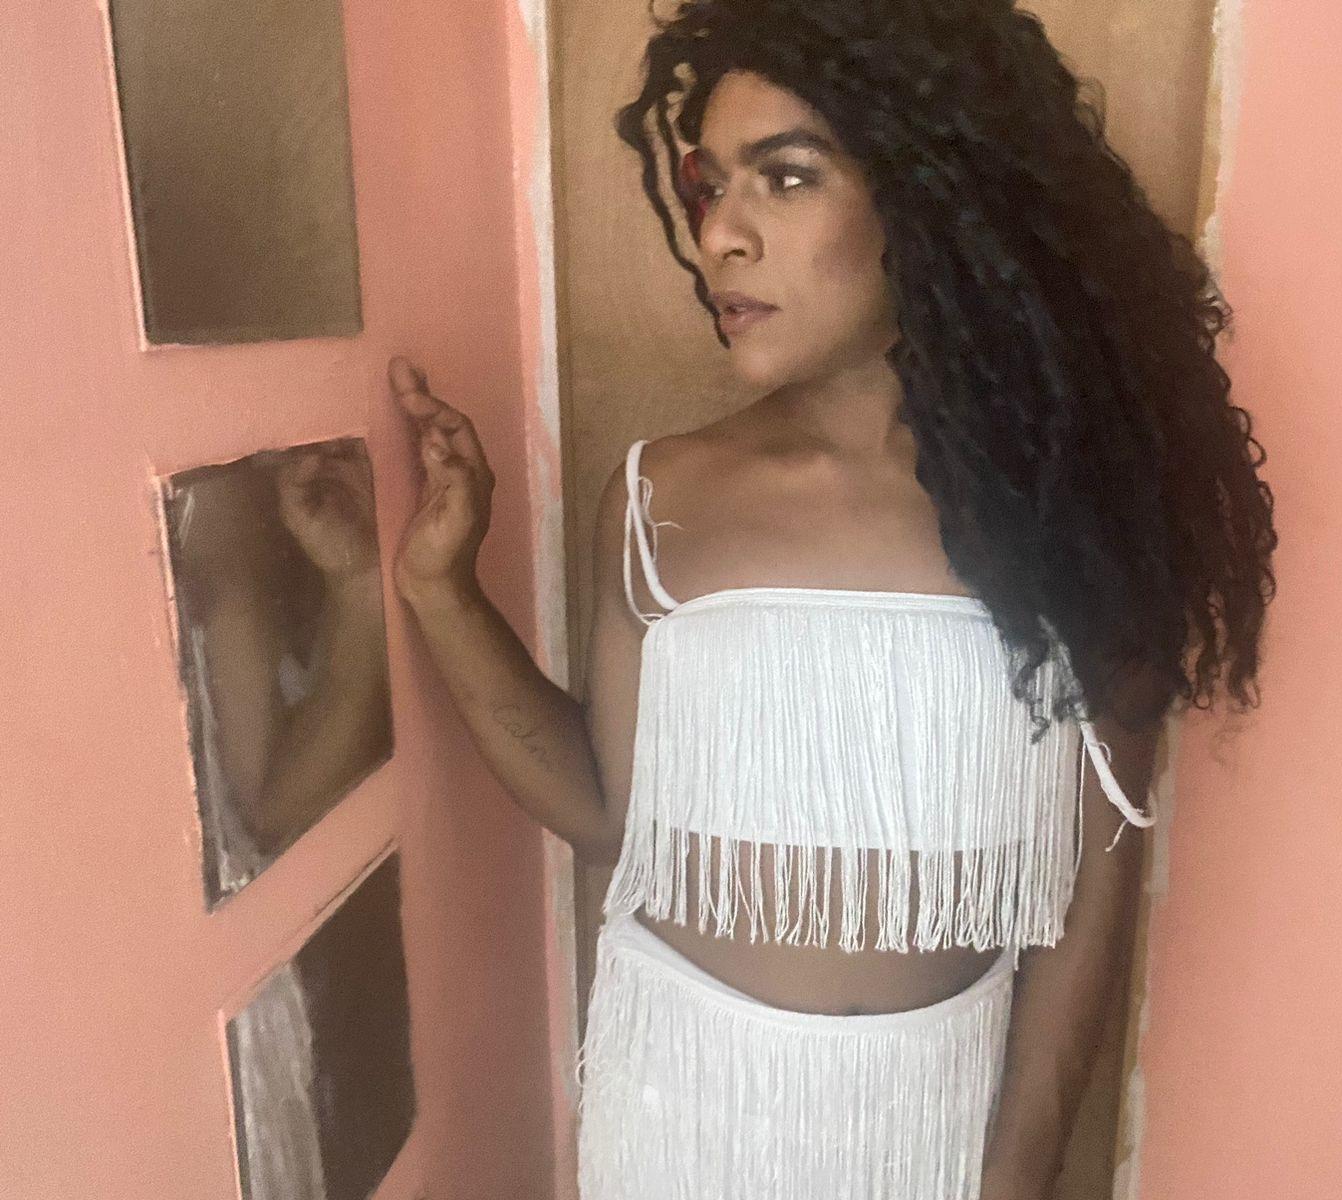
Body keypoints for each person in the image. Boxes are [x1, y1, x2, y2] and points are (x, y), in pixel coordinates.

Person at [389, 1, 1276, 1196]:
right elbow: (609, 818)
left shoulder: (1073, 513)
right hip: (676, 1111)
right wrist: (442, 589)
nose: (720, 236)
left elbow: (1087, 894)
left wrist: (1016, 1175)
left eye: (787, 176)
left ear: (926, 197)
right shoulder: (659, 496)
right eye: (710, 187)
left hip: (936, 1121)